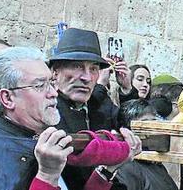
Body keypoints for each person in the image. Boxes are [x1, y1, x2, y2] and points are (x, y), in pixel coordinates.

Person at [0, 46, 141, 190]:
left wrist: (106, 172)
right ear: (8, 98)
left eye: (50, 82)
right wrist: (47, 175)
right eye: (40, 85)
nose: (53, 92)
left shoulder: (40, 138)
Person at [49, 28, 138, 189]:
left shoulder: (100, 103)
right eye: (77, 66)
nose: (87, 78)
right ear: (55, 72)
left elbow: (134, 124)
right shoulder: (46, 112)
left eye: (93, 69)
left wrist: (127, 90)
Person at [113, 98, 179, 190]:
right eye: (145, 124)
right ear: (126, 132)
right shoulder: (127, 168)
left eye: (154, 121)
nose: (154, 130)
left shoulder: (154, 162)